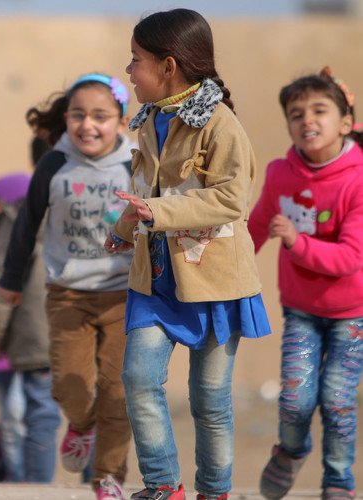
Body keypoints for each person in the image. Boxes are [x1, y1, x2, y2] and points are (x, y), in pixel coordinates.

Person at [104, 9, 272, 500]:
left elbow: (230, 200)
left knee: (210, 400)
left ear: (169, 65)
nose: (130, 71)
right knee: (138, 378)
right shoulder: (148, 120)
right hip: (154, 281)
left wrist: (155, 211)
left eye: (136, 60)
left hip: (212, 280)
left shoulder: (221, 125)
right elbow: (144, 191)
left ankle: (214, 492)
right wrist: (122, 228)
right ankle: (162, 486)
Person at [0, 73, 135, 500]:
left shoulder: (136, 162)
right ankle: (80, 424)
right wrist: (11, 279)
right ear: (66, 118)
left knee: (118, 391)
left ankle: (107, 477)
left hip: (125, 295)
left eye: (100, 116)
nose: (87, 125)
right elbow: (26, 224)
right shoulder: (54, 163)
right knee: (68, 384)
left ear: (122, 120)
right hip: (68, 293)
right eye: (78, 115)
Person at [247, 67, 363, 500]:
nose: (306, 120)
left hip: (352, 315)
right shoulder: (280, 173)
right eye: (296, 114)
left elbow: (352, 258)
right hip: (301, 310)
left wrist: (297, 243)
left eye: (319, 110)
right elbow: (255, 228)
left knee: (336, 401)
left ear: (345, 122)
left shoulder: (357, 179)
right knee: (295, 401)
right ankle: (291, 451)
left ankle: (338, 481)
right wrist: (223, 271)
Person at [0, 160, 61, 484]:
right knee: (28, 414)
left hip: (21, 341)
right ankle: (30, 479)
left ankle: (27, 481)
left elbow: (2, 288)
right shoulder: (58, 221)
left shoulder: (13, 227)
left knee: (24, 413)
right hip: (38, 340)